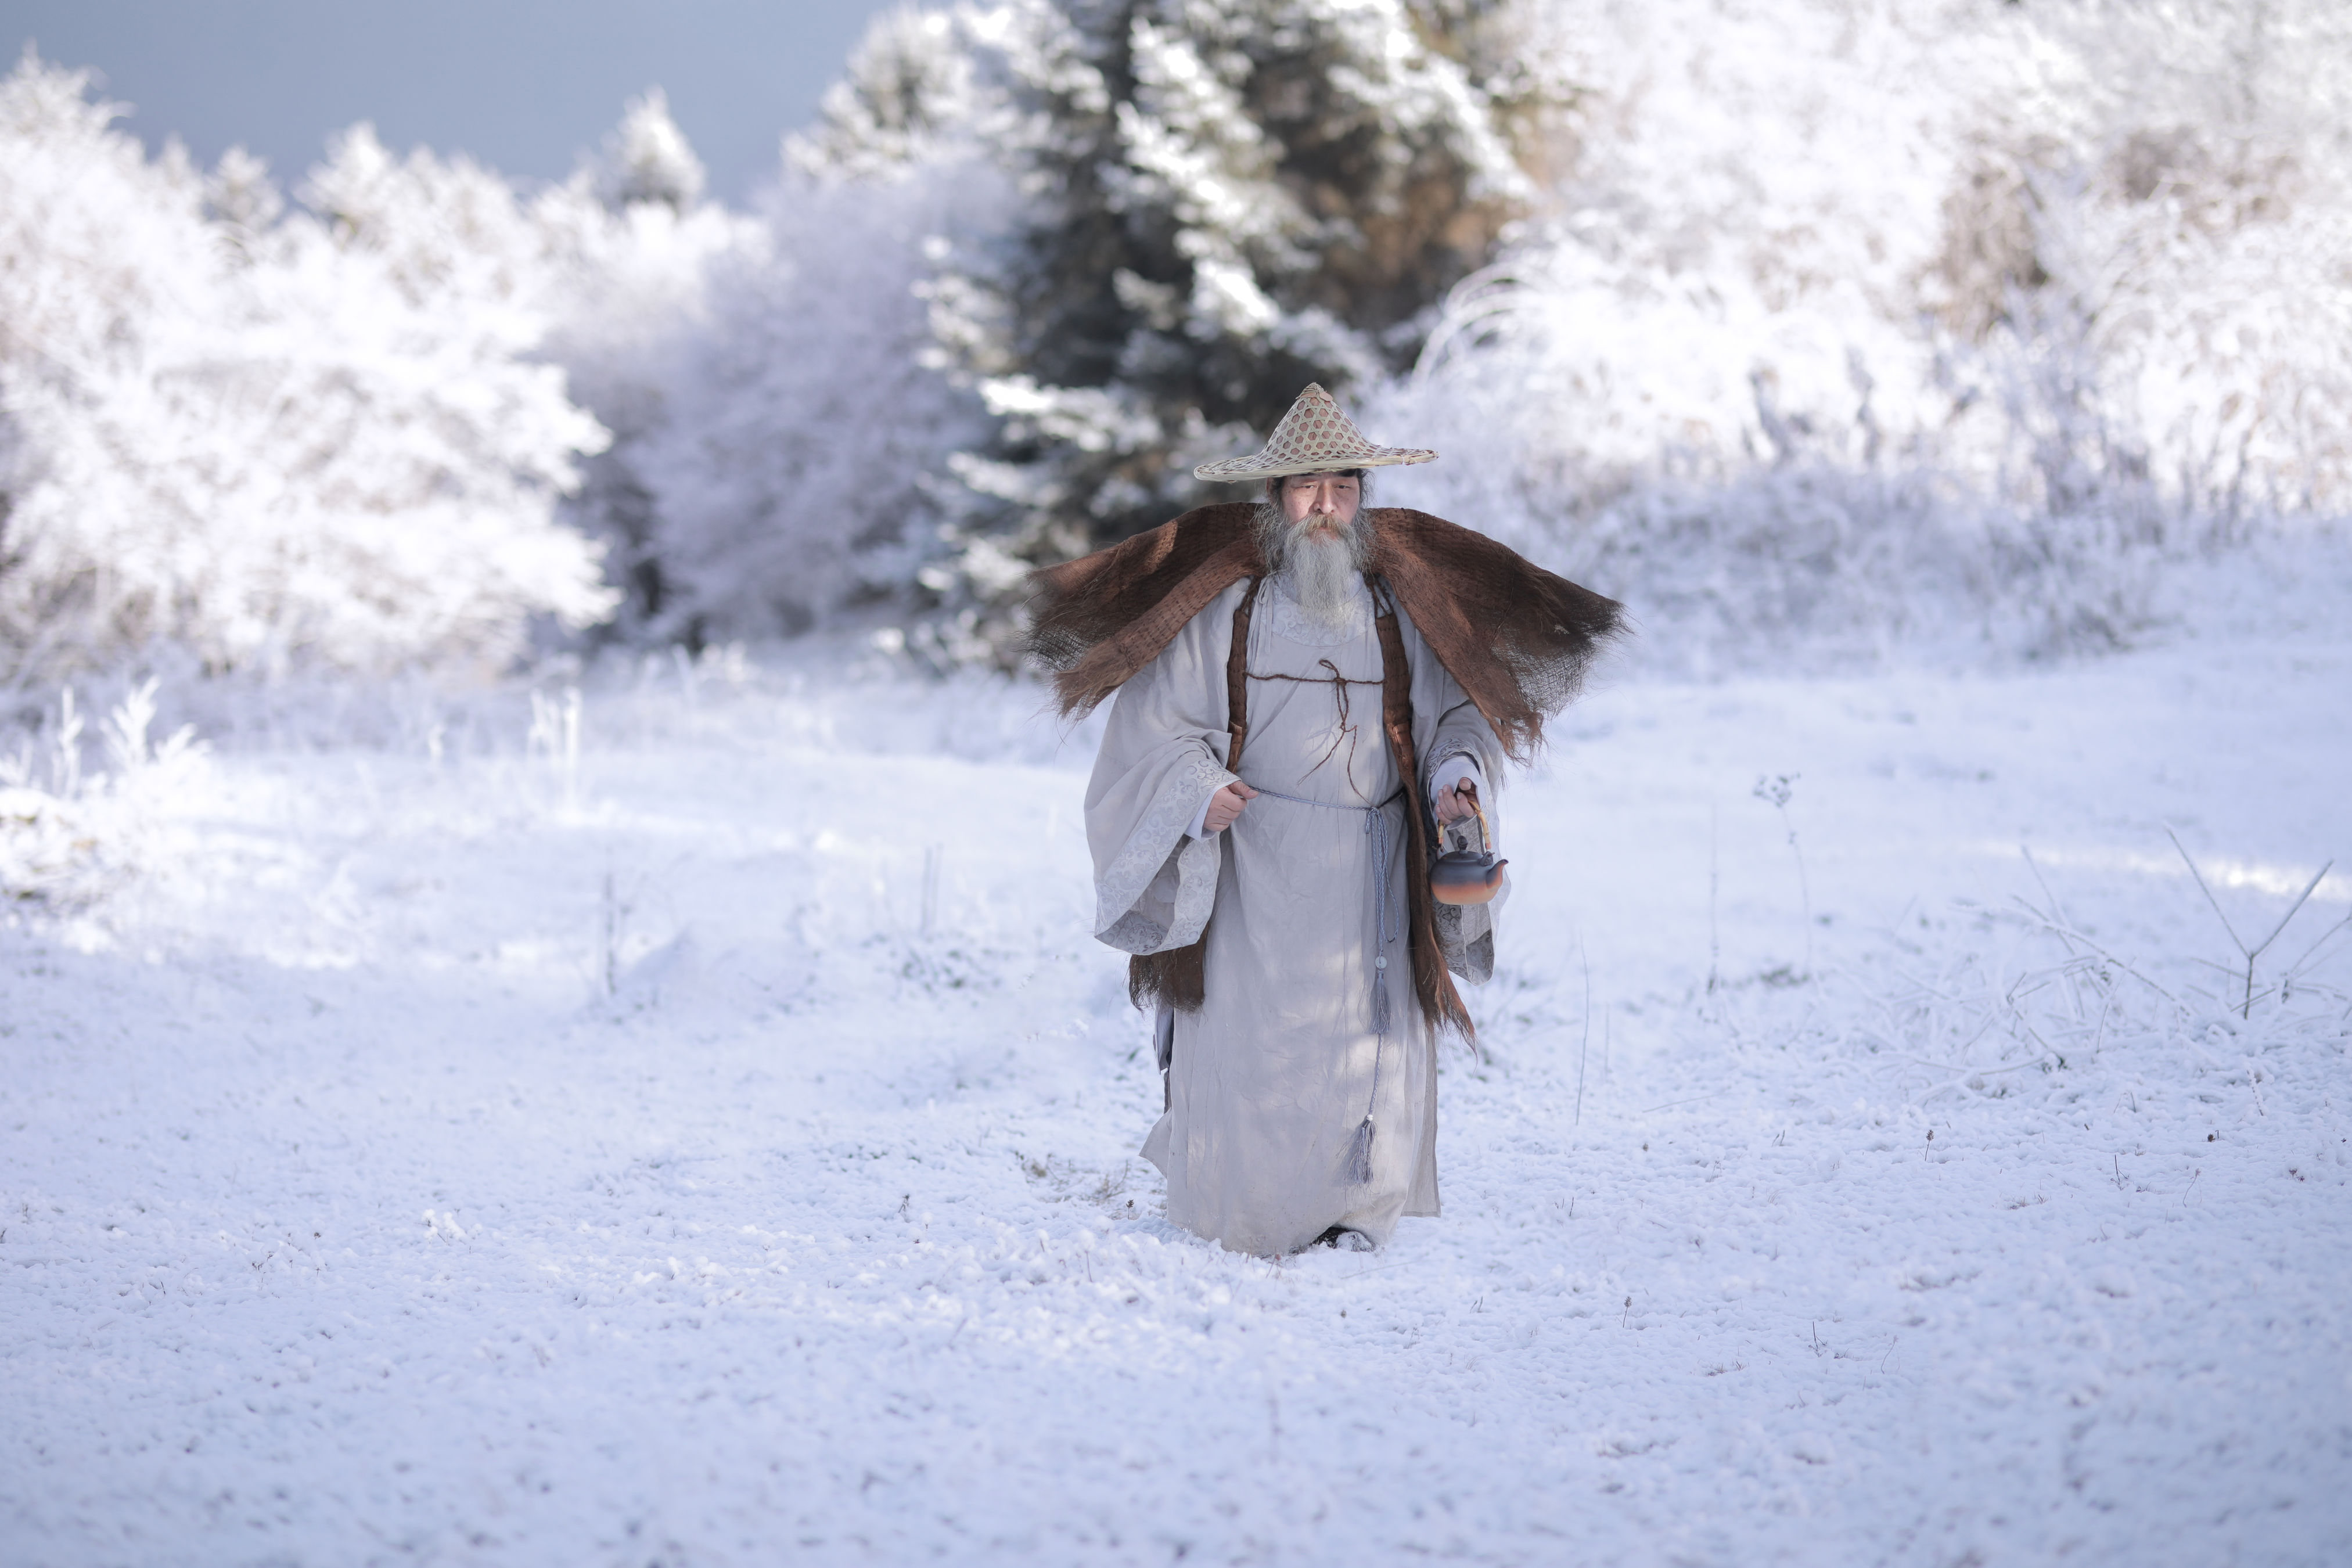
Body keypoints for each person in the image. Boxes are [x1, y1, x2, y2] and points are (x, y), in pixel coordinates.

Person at [1029, 384, 1622, 1256]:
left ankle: (1356, 1213)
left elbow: (1455, 718)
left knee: (1364, 1042)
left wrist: (1458, 775)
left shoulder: (1396, 605)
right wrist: (1197, 787)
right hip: (1253, 863)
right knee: (1253, 1042)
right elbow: (1155, 730)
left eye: (1342, 488)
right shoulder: (1224, 609)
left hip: (1369, 866)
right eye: (1306, 488)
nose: (1324, 507)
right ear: (1272, 500)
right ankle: (1249, 1216)